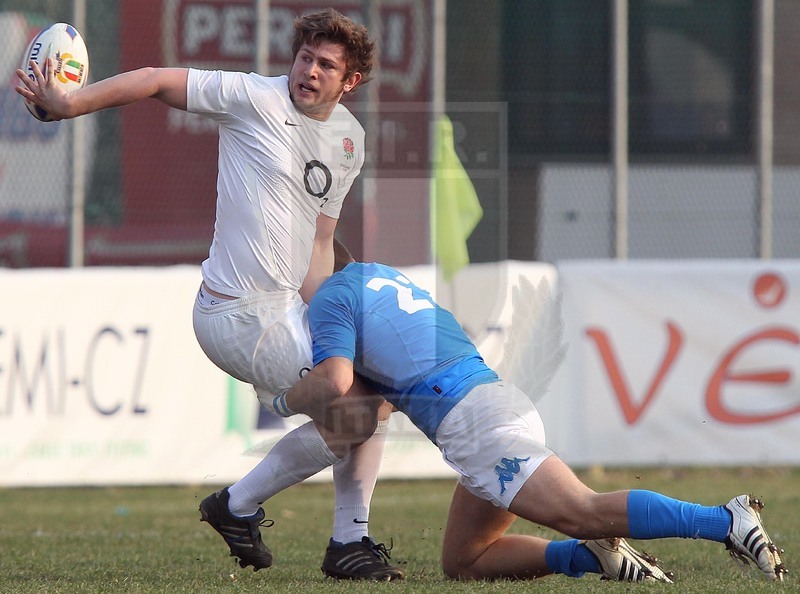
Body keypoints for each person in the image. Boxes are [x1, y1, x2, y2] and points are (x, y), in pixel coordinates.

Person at [16, 9, 403, 581]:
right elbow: (152, 77)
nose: (310, 71)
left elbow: (321, 241)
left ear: (351, 82)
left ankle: (348, 539)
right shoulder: (251, 97)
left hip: (286, 308)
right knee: (355, 404)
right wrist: (71, 104)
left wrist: (333, 317)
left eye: (327, 65)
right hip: (235, 313)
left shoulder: (349, 138)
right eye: (305, 57)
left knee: (378, 386)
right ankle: (245, 506)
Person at [265, 255, 788, 583]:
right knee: (464, 562)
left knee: (581, 509)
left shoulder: (333, 297)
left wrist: (283, 400)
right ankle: (593, 559)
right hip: (496, 405)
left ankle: (725, 520)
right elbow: (374, 397)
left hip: (479, 428)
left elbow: (332, 383)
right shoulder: (384, 285)